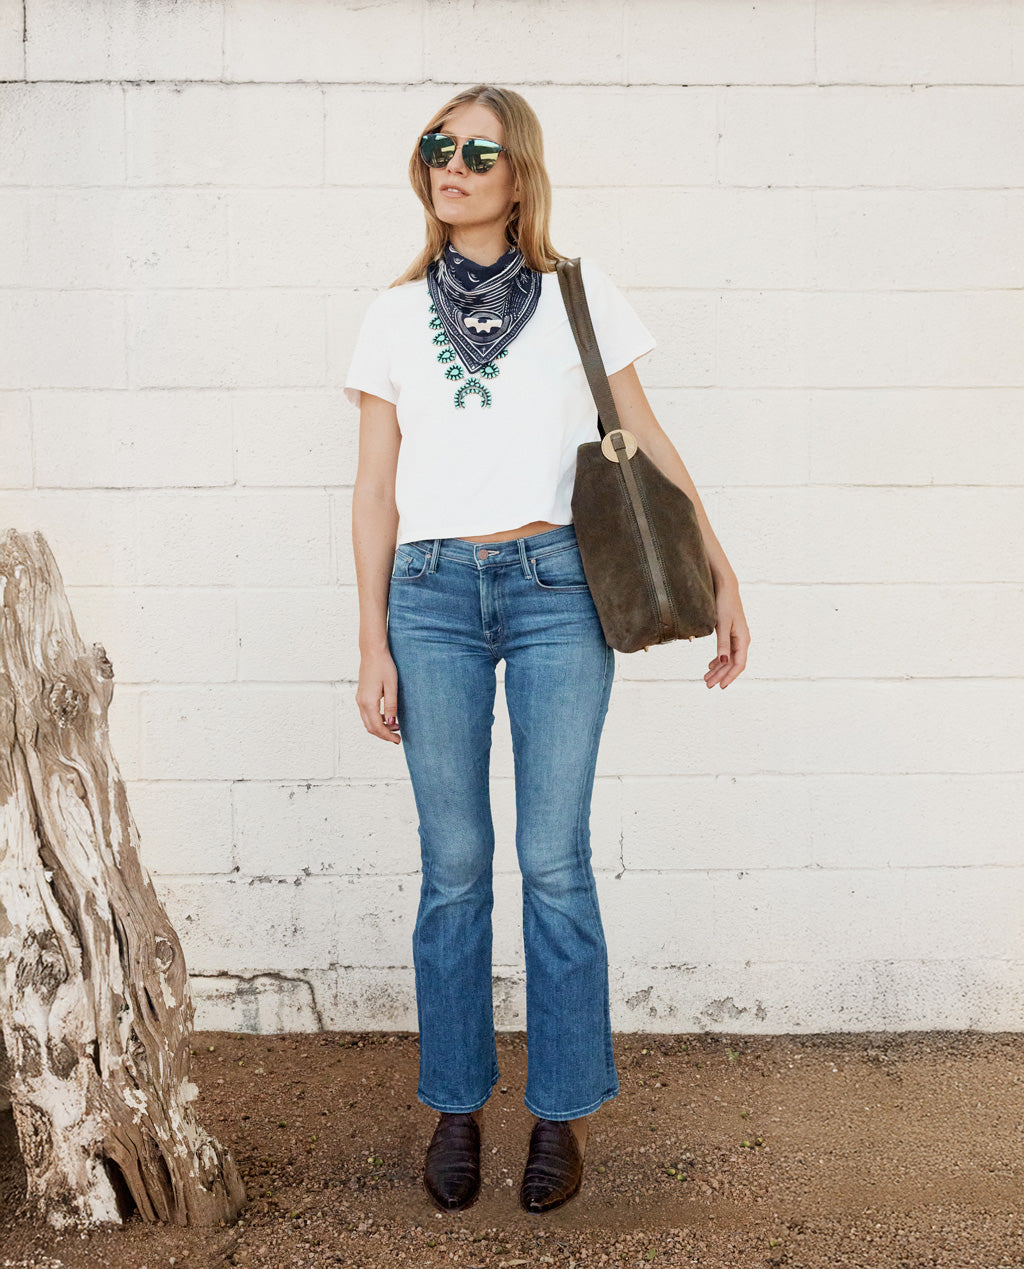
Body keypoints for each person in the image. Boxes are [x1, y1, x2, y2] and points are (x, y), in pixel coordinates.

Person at [345, 84, 750, 1216]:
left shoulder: (581, 294)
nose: (453, 164)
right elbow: (375, 488)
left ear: (518, 173)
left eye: (477, 149)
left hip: (557, 586)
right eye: (437, 146)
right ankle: (458, 1103)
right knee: (455, 866)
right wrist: (369, 635)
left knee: (555, 860)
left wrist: (719, 571)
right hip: (428, 595)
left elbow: (647, 435)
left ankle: (561, 1114)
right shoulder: (390, 314)